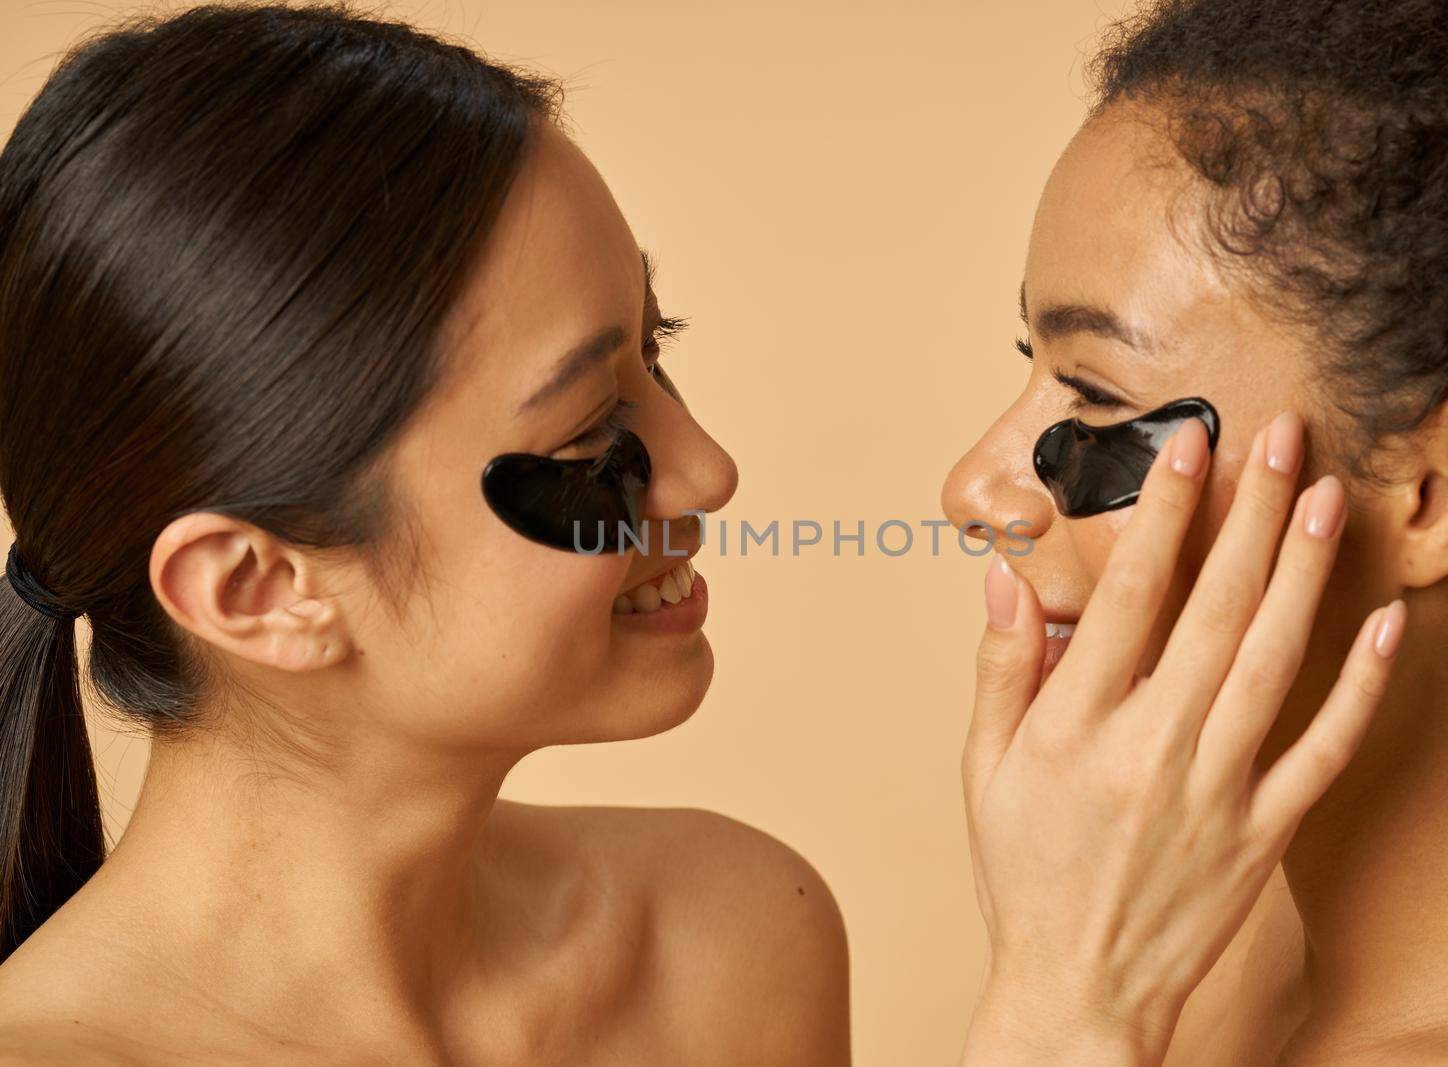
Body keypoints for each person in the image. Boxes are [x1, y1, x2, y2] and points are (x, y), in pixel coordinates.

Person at [0, 5, 849, 1062]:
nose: (707, 471)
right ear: (258, 586)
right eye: (589, 432)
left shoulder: (730, 934)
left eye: (654, 344)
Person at [943, 0, 1448, 1062]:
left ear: (1444, 484)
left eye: (1096, 399)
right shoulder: (1182, 935)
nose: (971, 488)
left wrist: (1060, 1014)